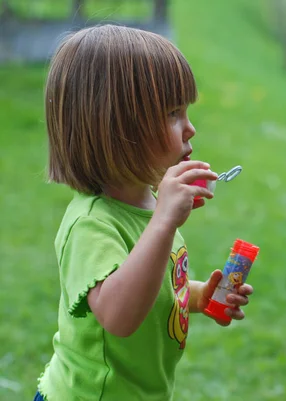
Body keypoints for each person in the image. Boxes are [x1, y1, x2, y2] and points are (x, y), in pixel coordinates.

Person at [34, 24, 254, 401]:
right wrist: (165, 220)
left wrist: (200, 296)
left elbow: (154, 289)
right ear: (117, 127)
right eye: (173, 113)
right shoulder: (92, 223)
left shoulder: (148, 202)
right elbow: (119, 317)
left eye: (186, 111)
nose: (190, 128)